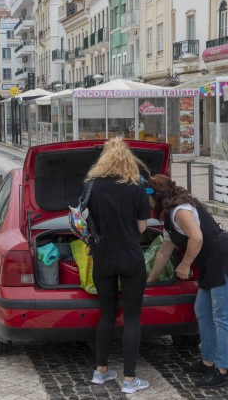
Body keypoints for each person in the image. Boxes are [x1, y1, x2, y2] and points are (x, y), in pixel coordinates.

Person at [144, 174, 228, 389]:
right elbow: (164, 253)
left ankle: (222, 371)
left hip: (224, 260)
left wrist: (185, 264)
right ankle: (207, 361)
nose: (144, 202)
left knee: (222, 317)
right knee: (202, 310)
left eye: (146, 197)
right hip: (211, 264)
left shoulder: (180, 211)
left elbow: (197, 237)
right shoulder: (168, 218)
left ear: (156, 197)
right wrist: (149, 281)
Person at [85, 137, 151, 394]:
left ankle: (100, 372)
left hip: (102, 258)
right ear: (128, 160)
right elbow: (143, 227)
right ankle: (130, 380)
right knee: (132, 318)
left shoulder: (92, 186)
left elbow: (83, 218)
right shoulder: (136, 187)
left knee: (107, 314)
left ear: (104, 160)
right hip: (131, 258)